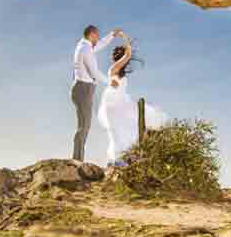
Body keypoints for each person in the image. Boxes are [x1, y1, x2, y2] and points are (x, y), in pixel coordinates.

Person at [97, 32, 169, 167]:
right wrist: (124, 38)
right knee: (118, 131)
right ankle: (116, 160)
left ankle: (119, 159)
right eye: (123, 57)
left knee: (123, 130)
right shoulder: (114, 68)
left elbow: (127, 57)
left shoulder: (118, 71)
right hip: (113, 103)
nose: (126, 60)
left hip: (119, 103)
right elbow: (128, 55)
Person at [70, 24, 121, 162]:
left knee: (85, 125)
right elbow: (94, 72)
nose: (98, 38)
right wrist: (110, 82)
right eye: (97, 35)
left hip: (84, 88)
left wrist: (112, 34)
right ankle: (77, 161)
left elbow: (101, 44)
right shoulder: (85, 49)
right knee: (84, 126)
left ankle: (78, 159)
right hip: (83, 89)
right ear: (92, 35)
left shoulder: (87, 46)